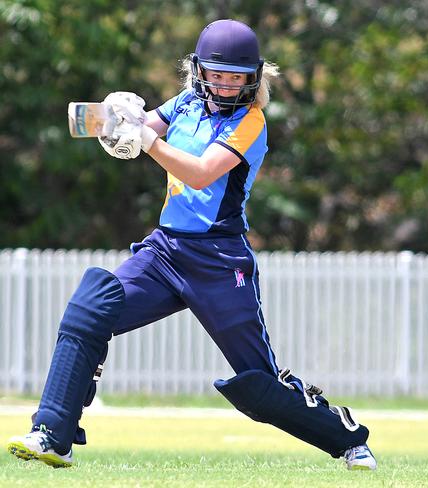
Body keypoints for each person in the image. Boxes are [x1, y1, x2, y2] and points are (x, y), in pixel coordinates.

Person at [6, 19, 376, 471]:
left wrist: (145, 139)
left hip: (220, 261)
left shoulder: (251, 121)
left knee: (259, 385)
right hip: (165, 252)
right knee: (89, 308)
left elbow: (200, 172)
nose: (224, 84)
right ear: (198, 71)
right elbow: (136, 131)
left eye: (235, 75)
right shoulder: (185, 103)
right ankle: (53, 434)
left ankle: (349, 439)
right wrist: (117, 114)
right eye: (216, 73)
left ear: (254, 76)